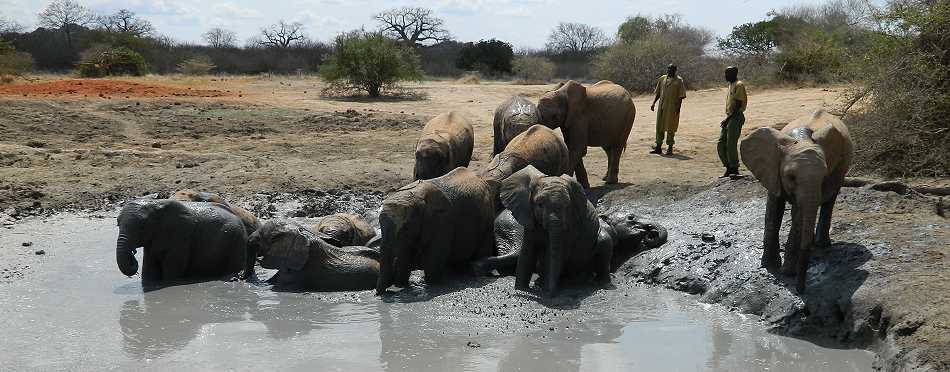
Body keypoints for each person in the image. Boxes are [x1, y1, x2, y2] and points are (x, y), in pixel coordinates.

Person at [650, 64, 686, 155]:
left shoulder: (679, 81)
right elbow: (658, 93)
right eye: (668, 69)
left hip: (672, 107)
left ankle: (670, 147)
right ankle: (658, 147)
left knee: (670, 127)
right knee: (659, 126)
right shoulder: (662, 78)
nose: (669, 71)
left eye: (671, 69)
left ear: (675, 70)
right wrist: (653, 103)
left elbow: (681, 96)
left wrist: (678, 108)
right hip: (661, 106)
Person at [718, 66, 747, 178]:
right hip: (730, 117)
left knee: (731, 144)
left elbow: (738, 105)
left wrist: (727, 119)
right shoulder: (731, 85)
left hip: (735, 117)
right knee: (721, 143)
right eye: (725, 73)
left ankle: (734, 168)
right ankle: (728, 167)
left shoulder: (739, 85)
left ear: (734, 73)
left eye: (727, 74)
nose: (725, 76)